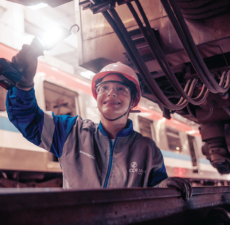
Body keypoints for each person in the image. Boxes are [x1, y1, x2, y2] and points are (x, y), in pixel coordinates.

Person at [6, 44, 192, 200]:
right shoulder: (71, 132)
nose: (111, 93)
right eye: (104, 88)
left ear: (133, 101)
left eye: (121, 89)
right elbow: (27, 118)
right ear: (97, 97)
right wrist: (23, 85)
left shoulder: (148, 150)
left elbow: (156, 198)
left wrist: (165, 187)